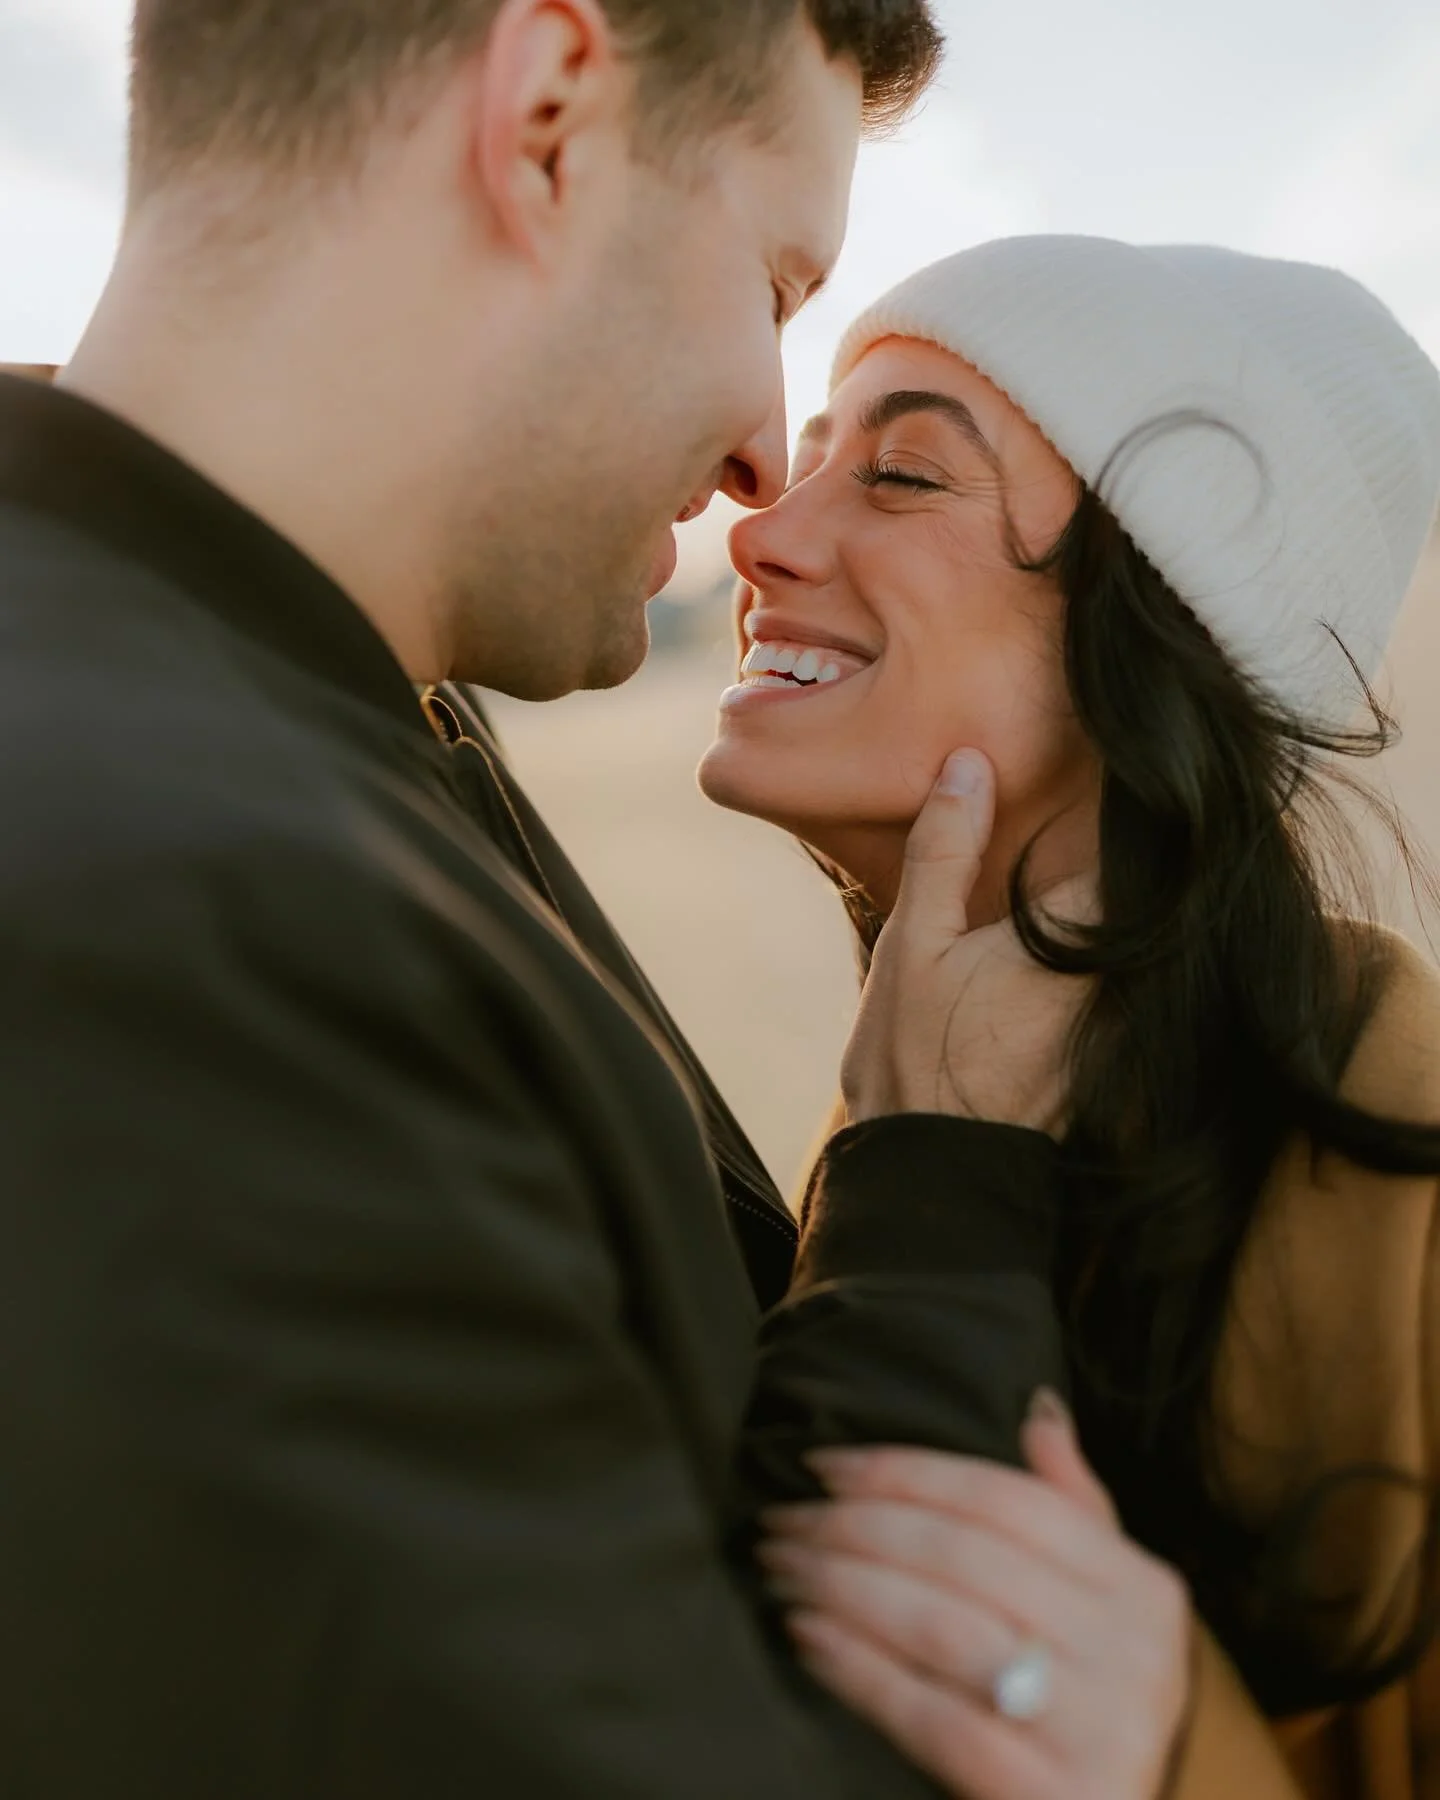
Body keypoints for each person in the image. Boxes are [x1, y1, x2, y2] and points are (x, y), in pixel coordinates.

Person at [0, 6, 1200, 1797]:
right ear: (549, 116)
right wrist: (940, 1194)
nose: (755, 464)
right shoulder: (170, 907)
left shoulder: (313, 710)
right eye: (777, 285)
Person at [697, 234, 1440, 1799]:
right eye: (812, 456)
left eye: (901, 478)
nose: (761, 531)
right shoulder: (911, 1093)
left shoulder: (1407, 1166)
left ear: (1167, 628)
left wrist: (1173, 1752)